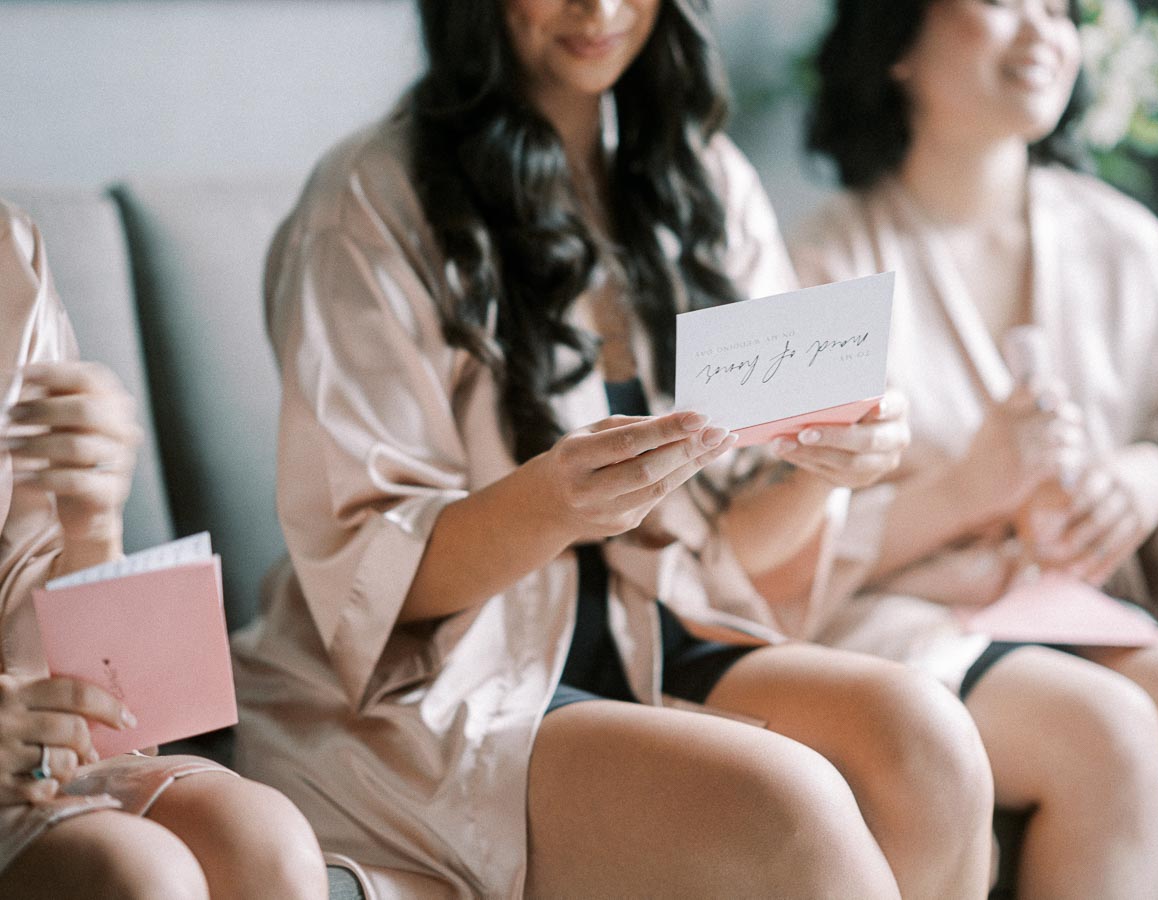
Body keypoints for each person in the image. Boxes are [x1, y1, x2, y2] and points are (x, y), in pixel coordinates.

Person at [229, 1, 997, 897]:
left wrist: (826, 465)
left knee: (929, 740)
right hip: (448, 680)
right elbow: (372, 580)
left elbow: (736, 551)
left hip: (657, 634)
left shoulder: (699, 177)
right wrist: (554, 502)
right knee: (792, 805)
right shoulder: (371, 200)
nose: (598, 9)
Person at [767, 1, 1158, 897]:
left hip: (1068, 601)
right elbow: (773, 565)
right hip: (897, 615)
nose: (1042, 30)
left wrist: (1142, 480)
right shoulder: (820, 268)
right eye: (1003, 1)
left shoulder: (1127, 245)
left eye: (1063, 9)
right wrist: (969, 489)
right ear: (897, 47)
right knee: (1105, 730)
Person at [0, 199, 328, 899]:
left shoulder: (8, 251)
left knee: (269, 843)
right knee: (142, 877)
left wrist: (90, 519)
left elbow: (39, 640)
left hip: (16, 744)